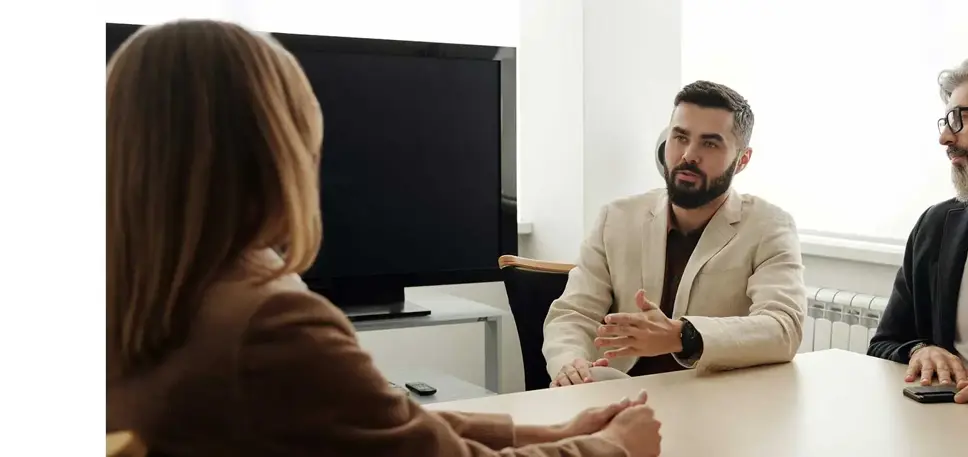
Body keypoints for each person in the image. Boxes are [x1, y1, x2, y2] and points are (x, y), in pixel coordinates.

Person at [105, 19, 664, 456]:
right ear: (276, 148)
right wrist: (610, 448)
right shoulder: (271, 326)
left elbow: (384, 430)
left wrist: (546, 431)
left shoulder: (139, 300)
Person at [543, 81, 807, 387]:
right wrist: (570, 363)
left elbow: (783, 328)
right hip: (615, 394)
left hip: (713, 404)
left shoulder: (769, 226)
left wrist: (684, 336)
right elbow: (573, 313)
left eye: (710, 144)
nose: (688, 155)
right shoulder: (615, 218)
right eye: (680, 137)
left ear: (742, 160)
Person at [867, 58, 968, 404]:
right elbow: (883, 343)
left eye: (962, 118)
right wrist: (920, 350)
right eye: (948, 119)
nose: (945, 137)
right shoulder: (935, 226)